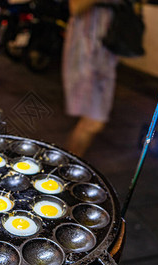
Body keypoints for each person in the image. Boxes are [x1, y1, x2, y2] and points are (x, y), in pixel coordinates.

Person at [62, 0, 119, 157]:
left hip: (105, 51)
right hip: (87, 49)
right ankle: (70, 171)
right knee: (94, 121)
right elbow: (75, 6)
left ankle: (70, 169)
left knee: (93, 121)